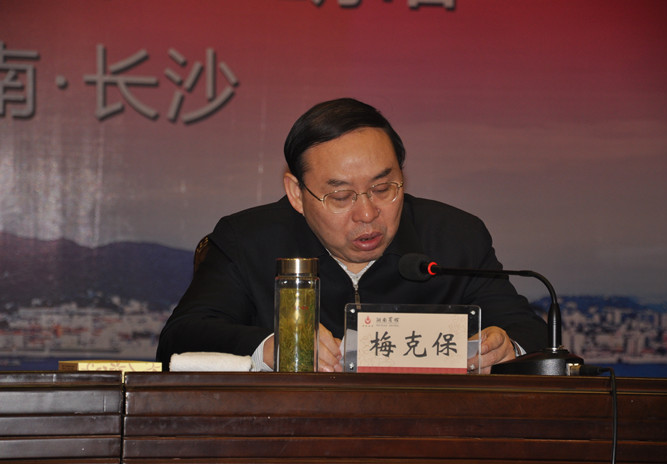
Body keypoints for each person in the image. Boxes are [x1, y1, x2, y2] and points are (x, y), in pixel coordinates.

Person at [156, 97, 548, 373]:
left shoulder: (455, 237)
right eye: (341, 196)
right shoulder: (248, 241)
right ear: (296, 193)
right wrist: (275, 347)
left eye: (383, 188)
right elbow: (181, 337)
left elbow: (531, 333)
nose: (367, 213)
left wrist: (506, 347)